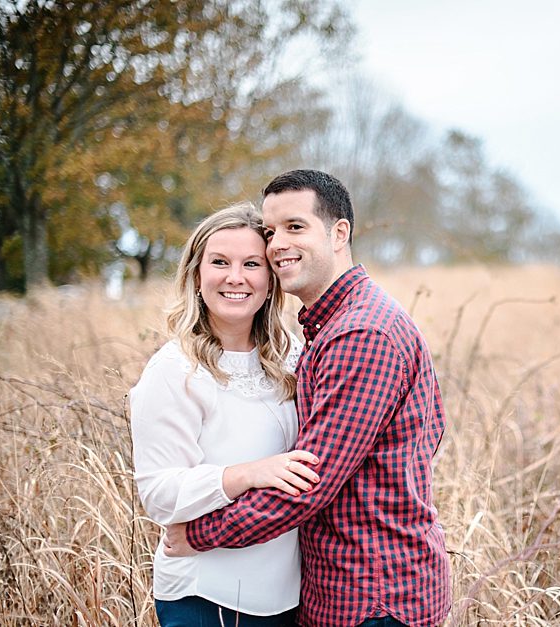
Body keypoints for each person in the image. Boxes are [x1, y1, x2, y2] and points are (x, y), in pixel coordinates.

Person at [164, 170, 452, 627]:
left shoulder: (361, 333)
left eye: (295, 227)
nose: (277, 243)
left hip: (371, 597)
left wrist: (197, 534)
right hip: (344, 589)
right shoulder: (326, 328)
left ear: (340, 233)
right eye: (271, 231)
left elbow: (308, 483)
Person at [130, 202, 322, 626]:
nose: (236, 277)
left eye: (252, 263)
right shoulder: (174, 370)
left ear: (271, 282)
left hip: (285, 594)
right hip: (203, 594)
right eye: (220, 262)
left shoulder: (293, 357)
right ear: (197, 276)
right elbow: (159, 494)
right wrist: (248, 473)